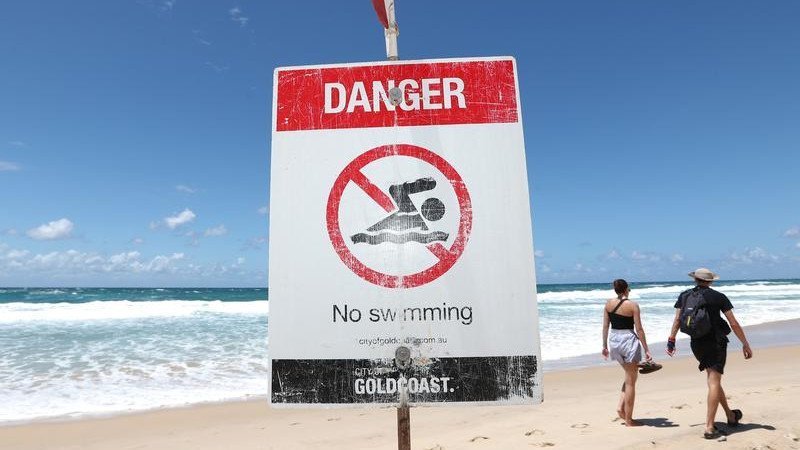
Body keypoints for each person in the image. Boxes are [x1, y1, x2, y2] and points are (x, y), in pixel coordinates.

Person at [666, 268, 753, 439]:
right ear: (710, 281)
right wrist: (745, 343)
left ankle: (730, 415)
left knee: (713, 378)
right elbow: (733, 323)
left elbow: (677, 320)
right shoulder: (718, 297)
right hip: (715, 342)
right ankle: (709, 427)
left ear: (695, 280)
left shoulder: (684, 296)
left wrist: (671, 340)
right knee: (714, 381)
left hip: (696, 342)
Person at [602, 279, 653, 426]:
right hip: (628, 340)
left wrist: (604, 345)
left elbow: (605, 326)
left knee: (629, 375)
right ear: (626, 290)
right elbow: (639, 329)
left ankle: (620, 407)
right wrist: (647, 349)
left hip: (614, 340)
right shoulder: (633, 305)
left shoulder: (608, 304)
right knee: (631, 381)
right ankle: (629, 420)